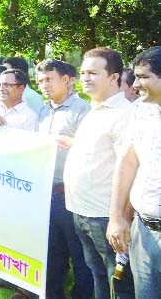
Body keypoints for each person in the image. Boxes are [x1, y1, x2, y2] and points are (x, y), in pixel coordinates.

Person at [63, 47, 135, 299]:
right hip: (80, 211)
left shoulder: (124, 115)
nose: (85, 78)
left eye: (93, 73)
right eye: (83, 72)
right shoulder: (95, 109)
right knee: (99, 277)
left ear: (114, 77)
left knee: (119, 285)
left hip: (105, 218)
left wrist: (119, 219)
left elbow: (129, 169)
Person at [36, 59, 93, 299]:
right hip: (44, 193)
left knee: (80, 256)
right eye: (40, 81)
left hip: (71, 195)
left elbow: (92, 152)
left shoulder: (84, 111)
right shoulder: (43, 110)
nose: (44, 85)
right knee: (51, 253)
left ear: (67, 80)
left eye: (49, 79)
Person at [107, 46, 161, 298]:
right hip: (143, 230)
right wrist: (117, 217)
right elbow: (127, 163)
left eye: (143, 77)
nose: (135, 84)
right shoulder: (140, 109)